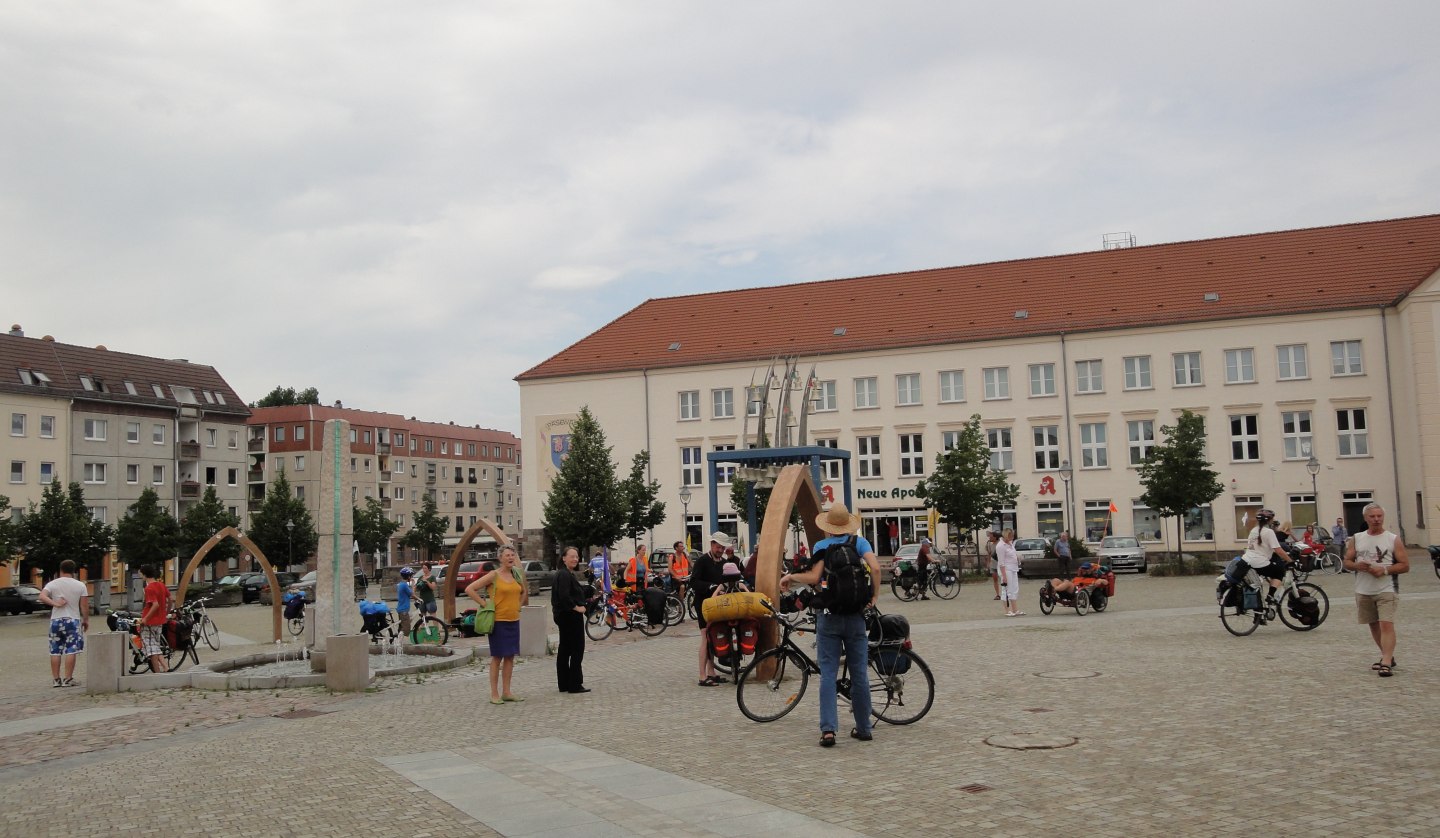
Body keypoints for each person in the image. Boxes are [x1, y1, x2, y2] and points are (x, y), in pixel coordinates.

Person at [780, 503, 880, 747]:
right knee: (859, 674)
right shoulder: (860, 544)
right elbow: (876, 568)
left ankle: (828, 731)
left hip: (829, 615)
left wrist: (791, 576)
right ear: (848, 524)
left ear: (828, 527)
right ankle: (864, 728)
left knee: (827, 674)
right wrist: (873, 597)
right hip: (855, 616)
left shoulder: (822, 547)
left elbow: (814, 578)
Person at [1343, 503, 1408, 677]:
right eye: (1372, 516)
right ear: (1366, 518)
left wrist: (1385, 570)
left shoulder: (1393, 539)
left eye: (1379, 516)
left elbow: (1405, 565)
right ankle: (1387, 655)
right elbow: (1347, 562)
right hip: (1363, 589)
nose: (1376, 519)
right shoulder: (1356, 538)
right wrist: (1357, 565)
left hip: (1387, 588)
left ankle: (1386, 662)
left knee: (1386, 623)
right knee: (1373, 624)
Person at [466, 545, 529, 703]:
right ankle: (494, 693)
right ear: (500, 558)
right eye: (507, 555)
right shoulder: (493, 575)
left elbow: (523, 592)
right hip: (498, 621)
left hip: (513, 620)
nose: (510, 558)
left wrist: (518, 606)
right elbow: (470, 589)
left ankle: (507, 691)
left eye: (512, 555)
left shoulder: (516, 574)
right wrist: (485, 604)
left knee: (510, 657)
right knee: (497, 657)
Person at [38, 559, 89, 687]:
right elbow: (84, 606)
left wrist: (55, 603)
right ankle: (68, 679)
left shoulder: (53, 584)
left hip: (56, 620)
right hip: (72, 620)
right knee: (71, 649)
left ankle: (56, 679)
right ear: (74, 571)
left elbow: (42, 596)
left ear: (60, 570)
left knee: (55, 650)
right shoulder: (80, 585)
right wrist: (85, 620)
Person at [692, 532, 729, 686]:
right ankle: (702, 676)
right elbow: (694, 582)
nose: (720, 550)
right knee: (706, 637)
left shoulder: (724, 563)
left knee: (714, 637)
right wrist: (710, 587)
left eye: (723, 548)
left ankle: (712, 672)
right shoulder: (702, 561)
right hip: (703, 603)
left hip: (718, 604)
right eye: (718, 547)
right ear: (712, 545)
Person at [551, 546, 589, 693]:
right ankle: (574, 683)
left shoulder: (566, 574)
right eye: (572, 556)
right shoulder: (564, 574)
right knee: (576, 649)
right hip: (569, 616)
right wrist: (577, 608)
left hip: (564, 616)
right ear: (564, 558)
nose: (575, 559)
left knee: (565, 649)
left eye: (577, 556)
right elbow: (564, 596)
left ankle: (564, 683)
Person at [1242, 508, 1292, 603]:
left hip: (1247, 560)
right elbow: (1278, 550)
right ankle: (1270, 596)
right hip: (1259, 562)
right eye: (1272, 518)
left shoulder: (1254, 530)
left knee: (1268, 570)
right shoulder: (1269, 532)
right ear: (1269, 520)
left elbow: (1255, 546)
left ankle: (1259, 608)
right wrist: (1290, 561)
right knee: (1279, 572)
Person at [140, 564, 169, 673]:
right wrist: (167, 612)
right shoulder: (161, 585)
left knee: (150, 649)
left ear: (144, 574)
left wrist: (146, 619)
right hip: (160, 620)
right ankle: (165, 667)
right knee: (155, 646)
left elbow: (155, 605)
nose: (140, 575)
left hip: (150, 622)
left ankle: (157, 673)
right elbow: (170, 599)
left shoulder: (149, 588)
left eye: (141, 573)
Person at [997, 529, 1023, 616]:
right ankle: (1007, 610)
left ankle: (1015, 609)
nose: (1011, 538)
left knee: (1014, 589)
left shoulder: (1010, 543)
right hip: (1006, 569)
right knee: (1007, 589)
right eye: (1010, 536)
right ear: (1005, 535)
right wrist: (1004, 576)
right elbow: (1001, 562)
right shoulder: (1000, 546)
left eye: (1012, 536)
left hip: (1014, 568)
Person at [395, 568, 415, 635]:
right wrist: (413, 585)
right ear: (408, 576)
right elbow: (412, 594)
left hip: (401, 608)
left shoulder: (401, 584)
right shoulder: (404, 585)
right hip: (403, 610)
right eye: (411, 576)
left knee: (402, 627)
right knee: (406, 629)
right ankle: (397, 641)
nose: (411, 577)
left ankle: (398, 640)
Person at [986, 530, 1001, 601]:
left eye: (991, 537)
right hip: (993, 564)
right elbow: (989, 554)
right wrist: (988, 563)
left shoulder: (1000, 544)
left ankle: (1007, 593)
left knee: (1004, 580)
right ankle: (998, 594)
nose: (989, 538)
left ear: (995, 537)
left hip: (1001, 565)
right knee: (995, 579)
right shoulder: (990, 545)